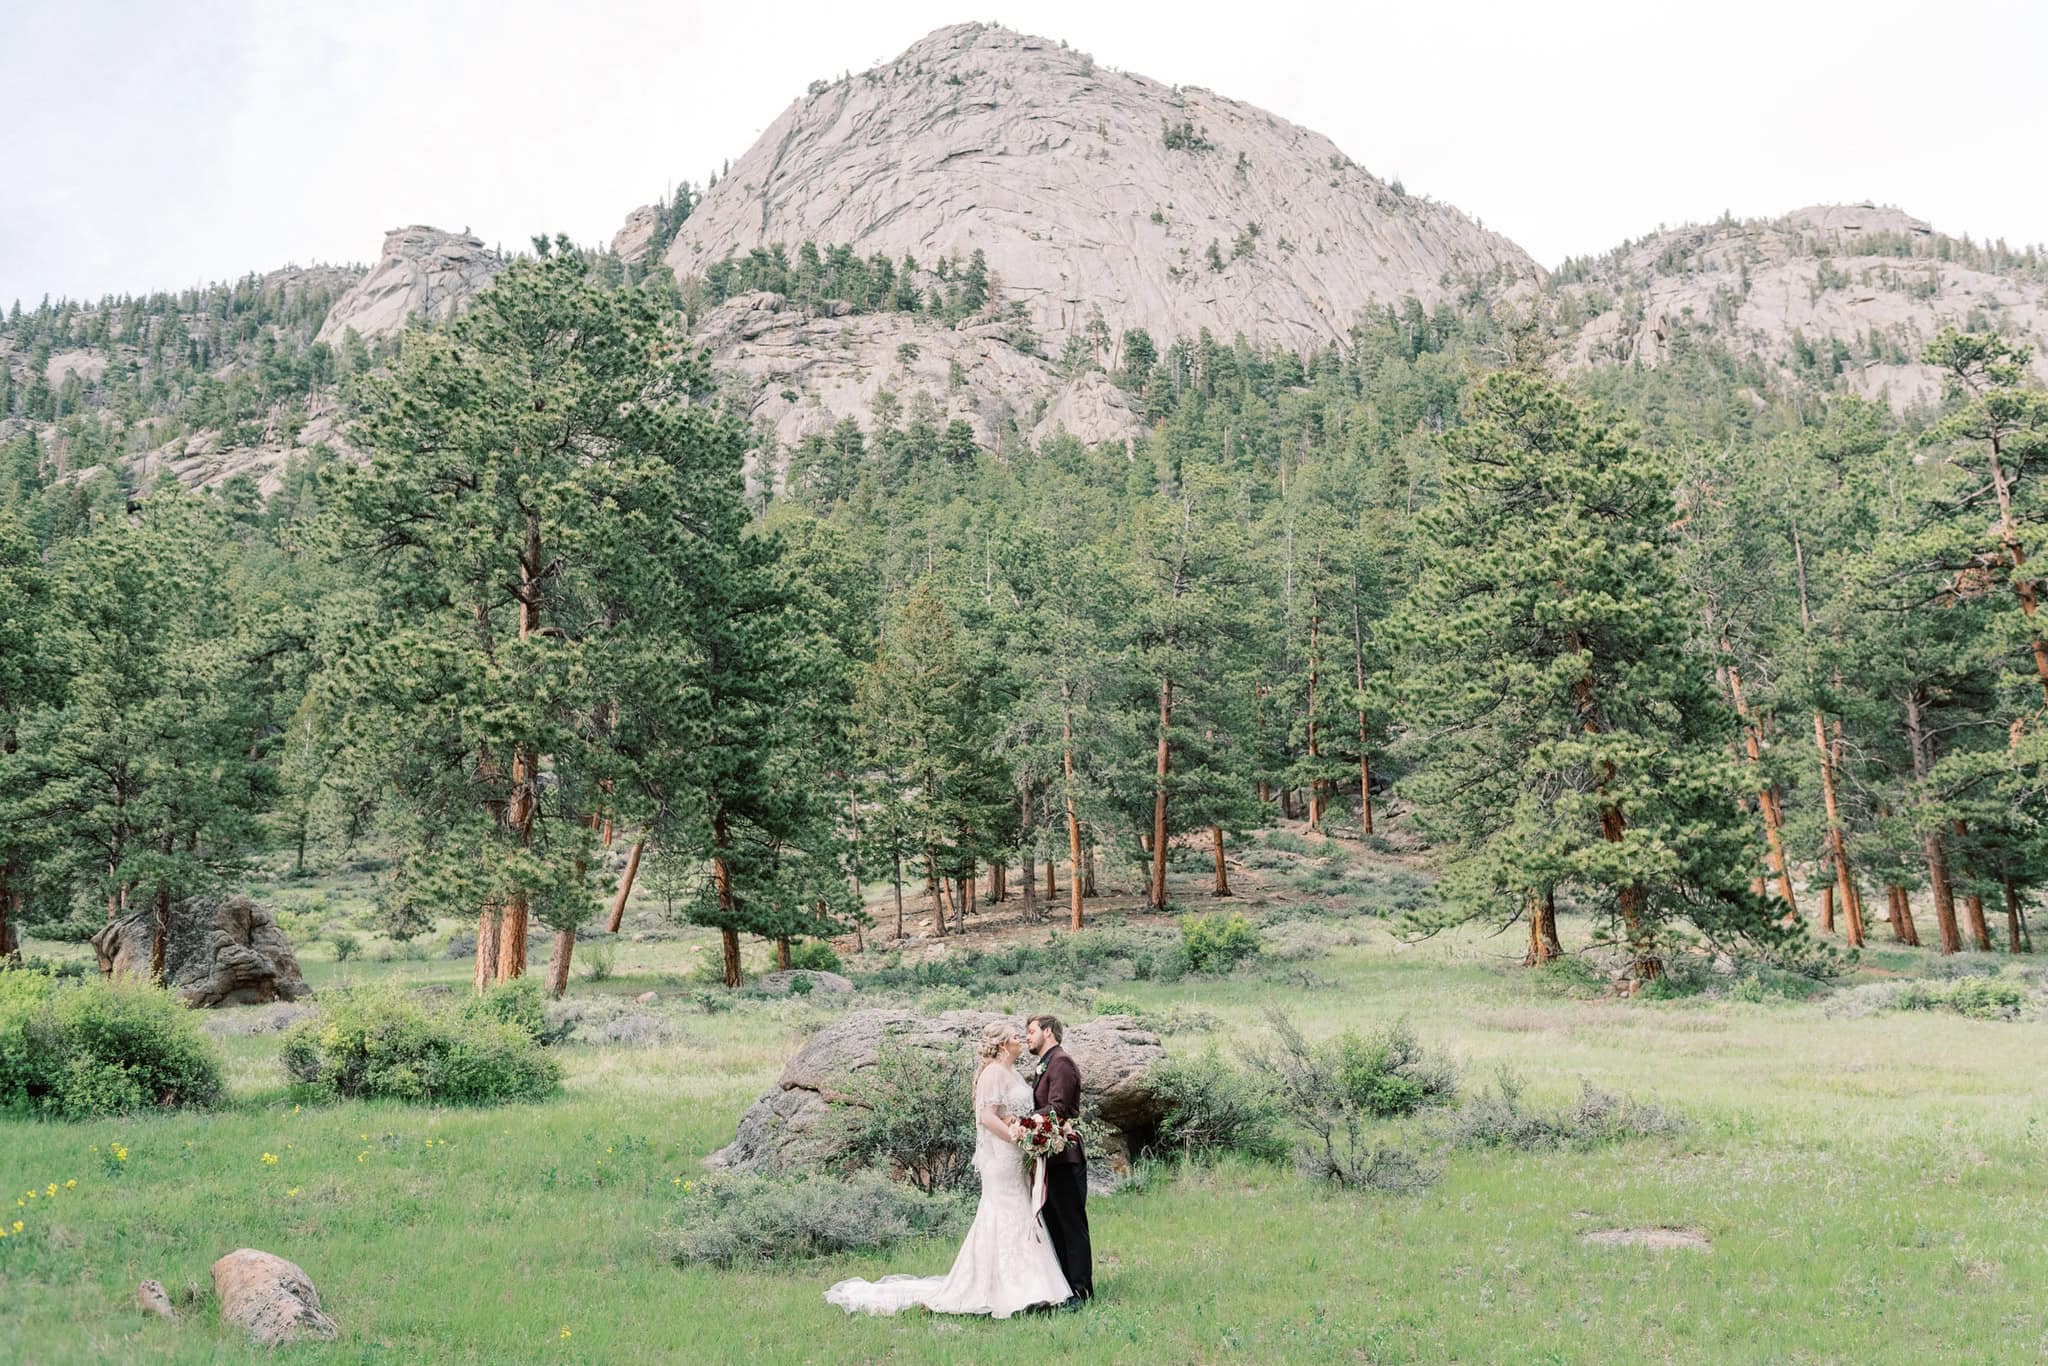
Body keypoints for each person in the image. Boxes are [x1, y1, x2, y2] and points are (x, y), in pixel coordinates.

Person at [823, 1021, 1072, 1319]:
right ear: (1004, 1045)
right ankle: (1011, 1289)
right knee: (1005, 1212)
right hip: (1003, 1156)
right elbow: (986, 1117)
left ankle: (1030, 1286)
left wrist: (1027, 1134)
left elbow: (1011, 1112)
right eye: (1016, 1037)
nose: (1021, 1040)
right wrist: (1017, 1136)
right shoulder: (992, 1073)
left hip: (1017, 1155)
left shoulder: (1013, 1072)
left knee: (1020, 1212)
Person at [1026, 1012, 1091, 1308]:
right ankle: (1065, 1288)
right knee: (1055, 1224)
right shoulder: (1046, 1064)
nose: (1028, 1037)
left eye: (1031, 1031)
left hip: (1066, 1156)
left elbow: (1058, 1108)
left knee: (1071, 1224)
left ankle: (1081, 1291)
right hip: (1050, 1158)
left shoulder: (1061, 1062)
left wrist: (1022, 1122)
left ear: (1048, 1031)